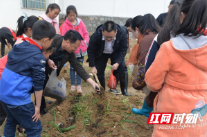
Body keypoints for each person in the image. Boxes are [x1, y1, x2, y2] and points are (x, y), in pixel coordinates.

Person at [145, 0, 207, 136]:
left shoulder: (169, 47)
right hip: (200, 116)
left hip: (169, 115)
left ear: (182, 16)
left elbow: (152, 83)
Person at [0, 20, 56, 137]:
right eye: (51, 41)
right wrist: (37, 107)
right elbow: (38, 84)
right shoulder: (38, 57)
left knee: (11, 119)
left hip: (3, 93)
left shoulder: (20, 44)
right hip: (17, 98)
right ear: (45, 40)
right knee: (34, 128)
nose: (51, 43)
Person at [132, 2, 181, 117]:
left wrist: (141, 82)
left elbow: (147, 64)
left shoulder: (160, 37)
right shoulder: (200, 39)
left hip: (166, 83)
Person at [40, 30, 100, 114]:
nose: (75, 50)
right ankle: (41, 109)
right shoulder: (53, 40)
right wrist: (48, 59)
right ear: (67, 42)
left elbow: (78, 67)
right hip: (41, 66)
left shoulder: (69, 53)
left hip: (52, 70)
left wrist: (92, 83)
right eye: (75, 47)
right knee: (40, 85)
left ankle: (43, 102)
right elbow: (40, 51)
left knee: (46, 87)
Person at [87, 21, 131, 96]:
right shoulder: (96, 35)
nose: (109, 39)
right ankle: (101, 91)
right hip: (101, 53)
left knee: (122, 68)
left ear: (116, 32)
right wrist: (93, 66)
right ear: (102, 31)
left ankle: (124, 91)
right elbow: (90, 51)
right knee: (98, 72)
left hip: (115, 51)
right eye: (106, 37)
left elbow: (123, 49)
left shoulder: (122, 33)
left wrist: (117, 62)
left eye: (111, 37)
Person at [128, 14, 159, 114]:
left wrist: (138, 83)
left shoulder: (146, 40)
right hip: (161, 73)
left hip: (155, 74)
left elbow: (144, 65)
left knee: (156, 93)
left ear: (137, 29)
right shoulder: (157, 35)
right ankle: (147, 109)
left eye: (132, 32)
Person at [61, 5, 89, 94]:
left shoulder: (81, 23)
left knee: (79, 67)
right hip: (72, 51)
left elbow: (85, 34)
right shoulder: (65, 25)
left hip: (81, 50)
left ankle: (79, 85)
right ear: (67, 15)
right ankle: (73, 85)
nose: (72, 17)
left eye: (74, 15)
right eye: (70, 15)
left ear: (76, 14)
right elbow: (64, 37)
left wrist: (84, 42)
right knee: (73, 68)